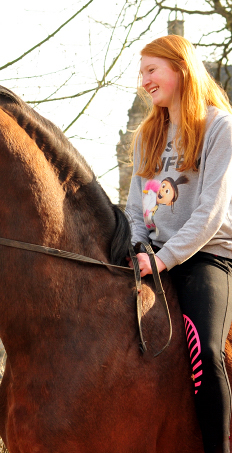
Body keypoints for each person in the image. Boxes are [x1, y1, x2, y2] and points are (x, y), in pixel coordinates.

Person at [126, 34, 232, 453]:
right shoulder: (147, 135)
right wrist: (138, 246)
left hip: (208, 257)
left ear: (180, 69)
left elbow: (211, 212)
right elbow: (136, 208)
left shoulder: (219, 126)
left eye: (151, 70)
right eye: (141, 72)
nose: (144, 80)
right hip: (152, 257)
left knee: (206, 352)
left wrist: (165, 259)